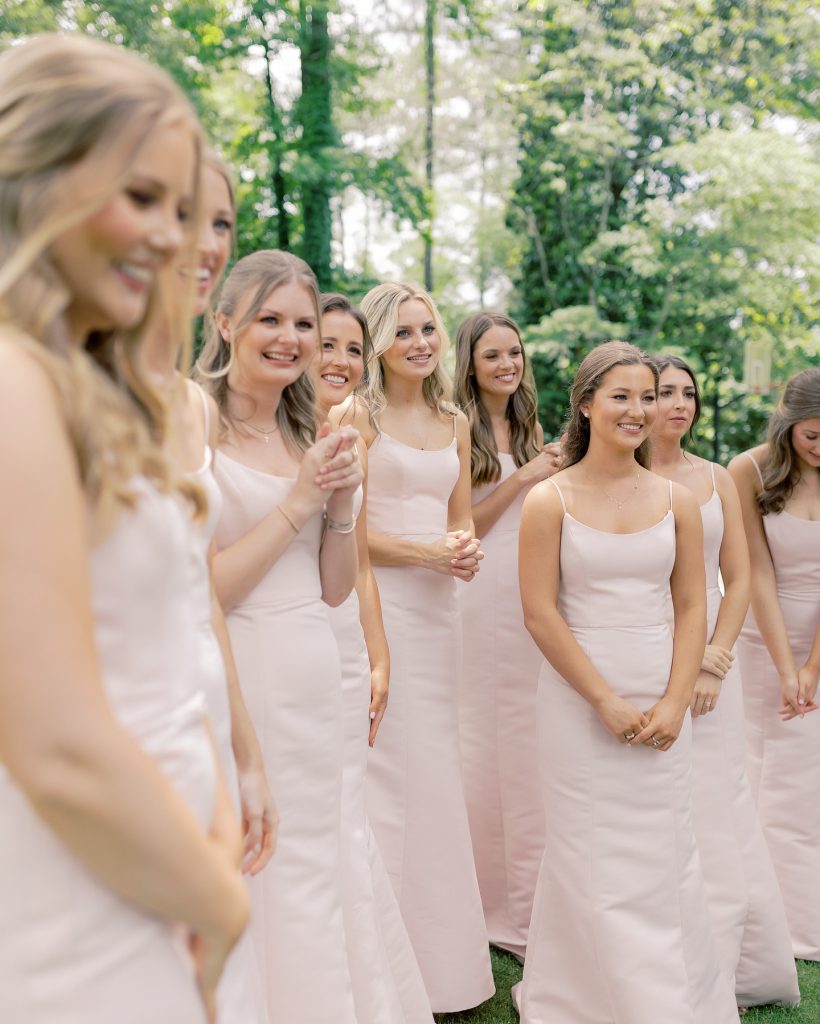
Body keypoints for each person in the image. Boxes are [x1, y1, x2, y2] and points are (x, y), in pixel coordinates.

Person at [0, 34, 248, 1024]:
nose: (175, 239)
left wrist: (216, 814)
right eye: (143, 199)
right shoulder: (15, 387)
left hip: (154, 876)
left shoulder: (88, 386)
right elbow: (54, 744)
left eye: (185, 211)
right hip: (78, 897)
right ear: (37, 176)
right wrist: (220, 900)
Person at [516, 341, 738, 1023]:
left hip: (662, 690)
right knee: (587, 851)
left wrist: (677, 701)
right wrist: (603, 700)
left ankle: (668, 1001)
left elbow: (693, 604)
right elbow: (539, 611)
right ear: (585, 404)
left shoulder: (677, 501)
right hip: (579, 700)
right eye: (622, 396)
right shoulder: (547, 500)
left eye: (648, 396)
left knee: (664, 852)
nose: (640, 410)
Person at [197, 250, 365, 1022]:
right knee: (258, 861)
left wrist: (342, 499)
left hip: (315, 677)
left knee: (313, 867)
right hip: (244, 675)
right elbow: (204, 592)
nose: (290, 339)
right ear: (225, 322)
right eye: (269, 319)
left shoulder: (307, 431)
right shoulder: (196, 424)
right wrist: (300, 502)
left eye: (303, 324)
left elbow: (334, 589)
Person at [141, 151, 274, 1024]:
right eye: (163, 205)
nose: (201, 240)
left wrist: (245, 754)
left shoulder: (188, 406)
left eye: (218, 221)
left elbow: (197, 597)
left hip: (197, 726)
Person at [347, 282, 494, 1014]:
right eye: (402, 331)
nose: (419, 343)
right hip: (380, 607)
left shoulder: (455, 420)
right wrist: (427, 553)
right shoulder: (359, 416)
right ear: (378, 340)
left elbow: (460, 517)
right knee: (384, 771)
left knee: (437, 771)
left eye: (428, 329)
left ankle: (445, 969)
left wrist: (462, 552)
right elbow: (345, 531)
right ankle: (380, 961)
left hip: (441, 615)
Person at [651, 355, 798, 1007]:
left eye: (688, 393)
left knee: (718, 803)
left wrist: (715, 659)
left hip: (713, 666)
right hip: (642, 652)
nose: (679, 404)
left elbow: (738, 577)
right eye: (663, 393)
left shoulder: (717, 479)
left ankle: (729, 961)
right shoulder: (610, 477)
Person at [312, 292, 434, 1023]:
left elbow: (357, 562)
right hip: (275, 639)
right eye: (329, 344)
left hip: (343, 641)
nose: (341, 360)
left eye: (354, 349)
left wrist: (377, 655)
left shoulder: (351, 438)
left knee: (345, 809)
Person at [452, 311, 559, 961]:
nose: (507, 364)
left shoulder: (530, 425)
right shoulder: (457, 428)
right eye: (492, 355)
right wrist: (522, 476)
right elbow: (464, 524)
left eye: (514, 353)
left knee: (530, 742)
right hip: (482, 594)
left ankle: (533, 889)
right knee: (487, 739)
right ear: (469, 362)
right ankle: (490, 901)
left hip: (534, 590)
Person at [729, 366, 820, 962]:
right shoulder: (749, 469)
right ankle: (759, 918)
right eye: (812, 436)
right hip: (763, 635)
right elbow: (754, 568)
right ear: (787, 426)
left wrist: (812, 669)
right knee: (759, 772)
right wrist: (786, 665)